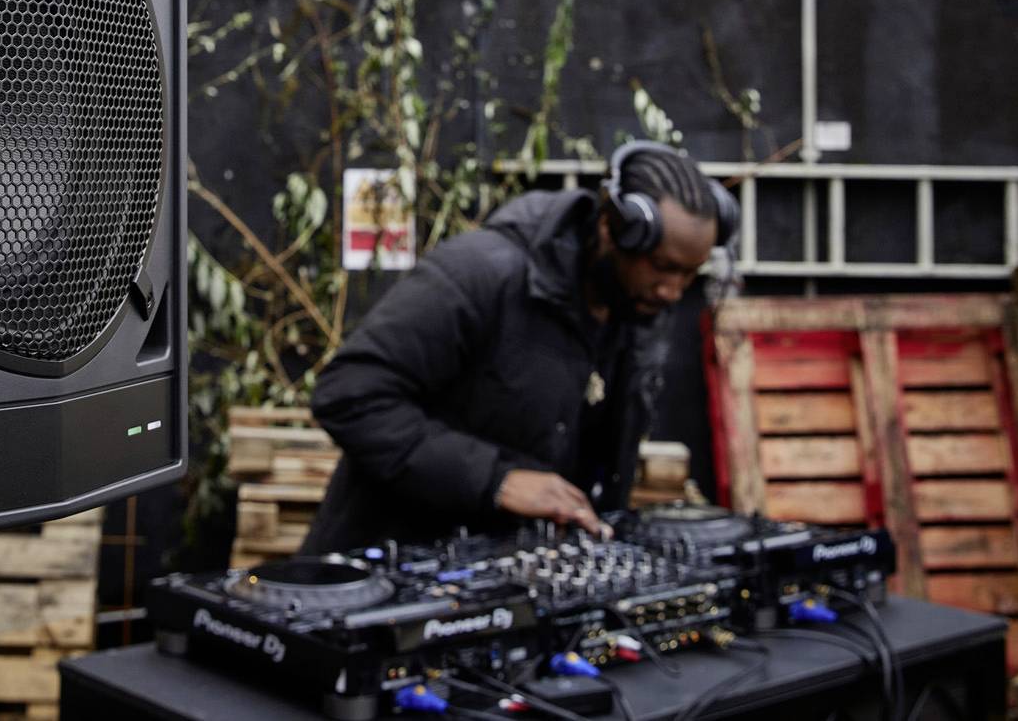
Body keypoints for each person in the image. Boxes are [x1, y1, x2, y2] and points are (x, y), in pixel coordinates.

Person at [299, 141, 736, 555]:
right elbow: (348, 393)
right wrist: (496, 479)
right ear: (611, 227)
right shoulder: (481, 274)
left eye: (689, 275)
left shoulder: (636, 308)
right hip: (390, 581)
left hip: (516, 583)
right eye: (663, 268)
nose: (673, 291)